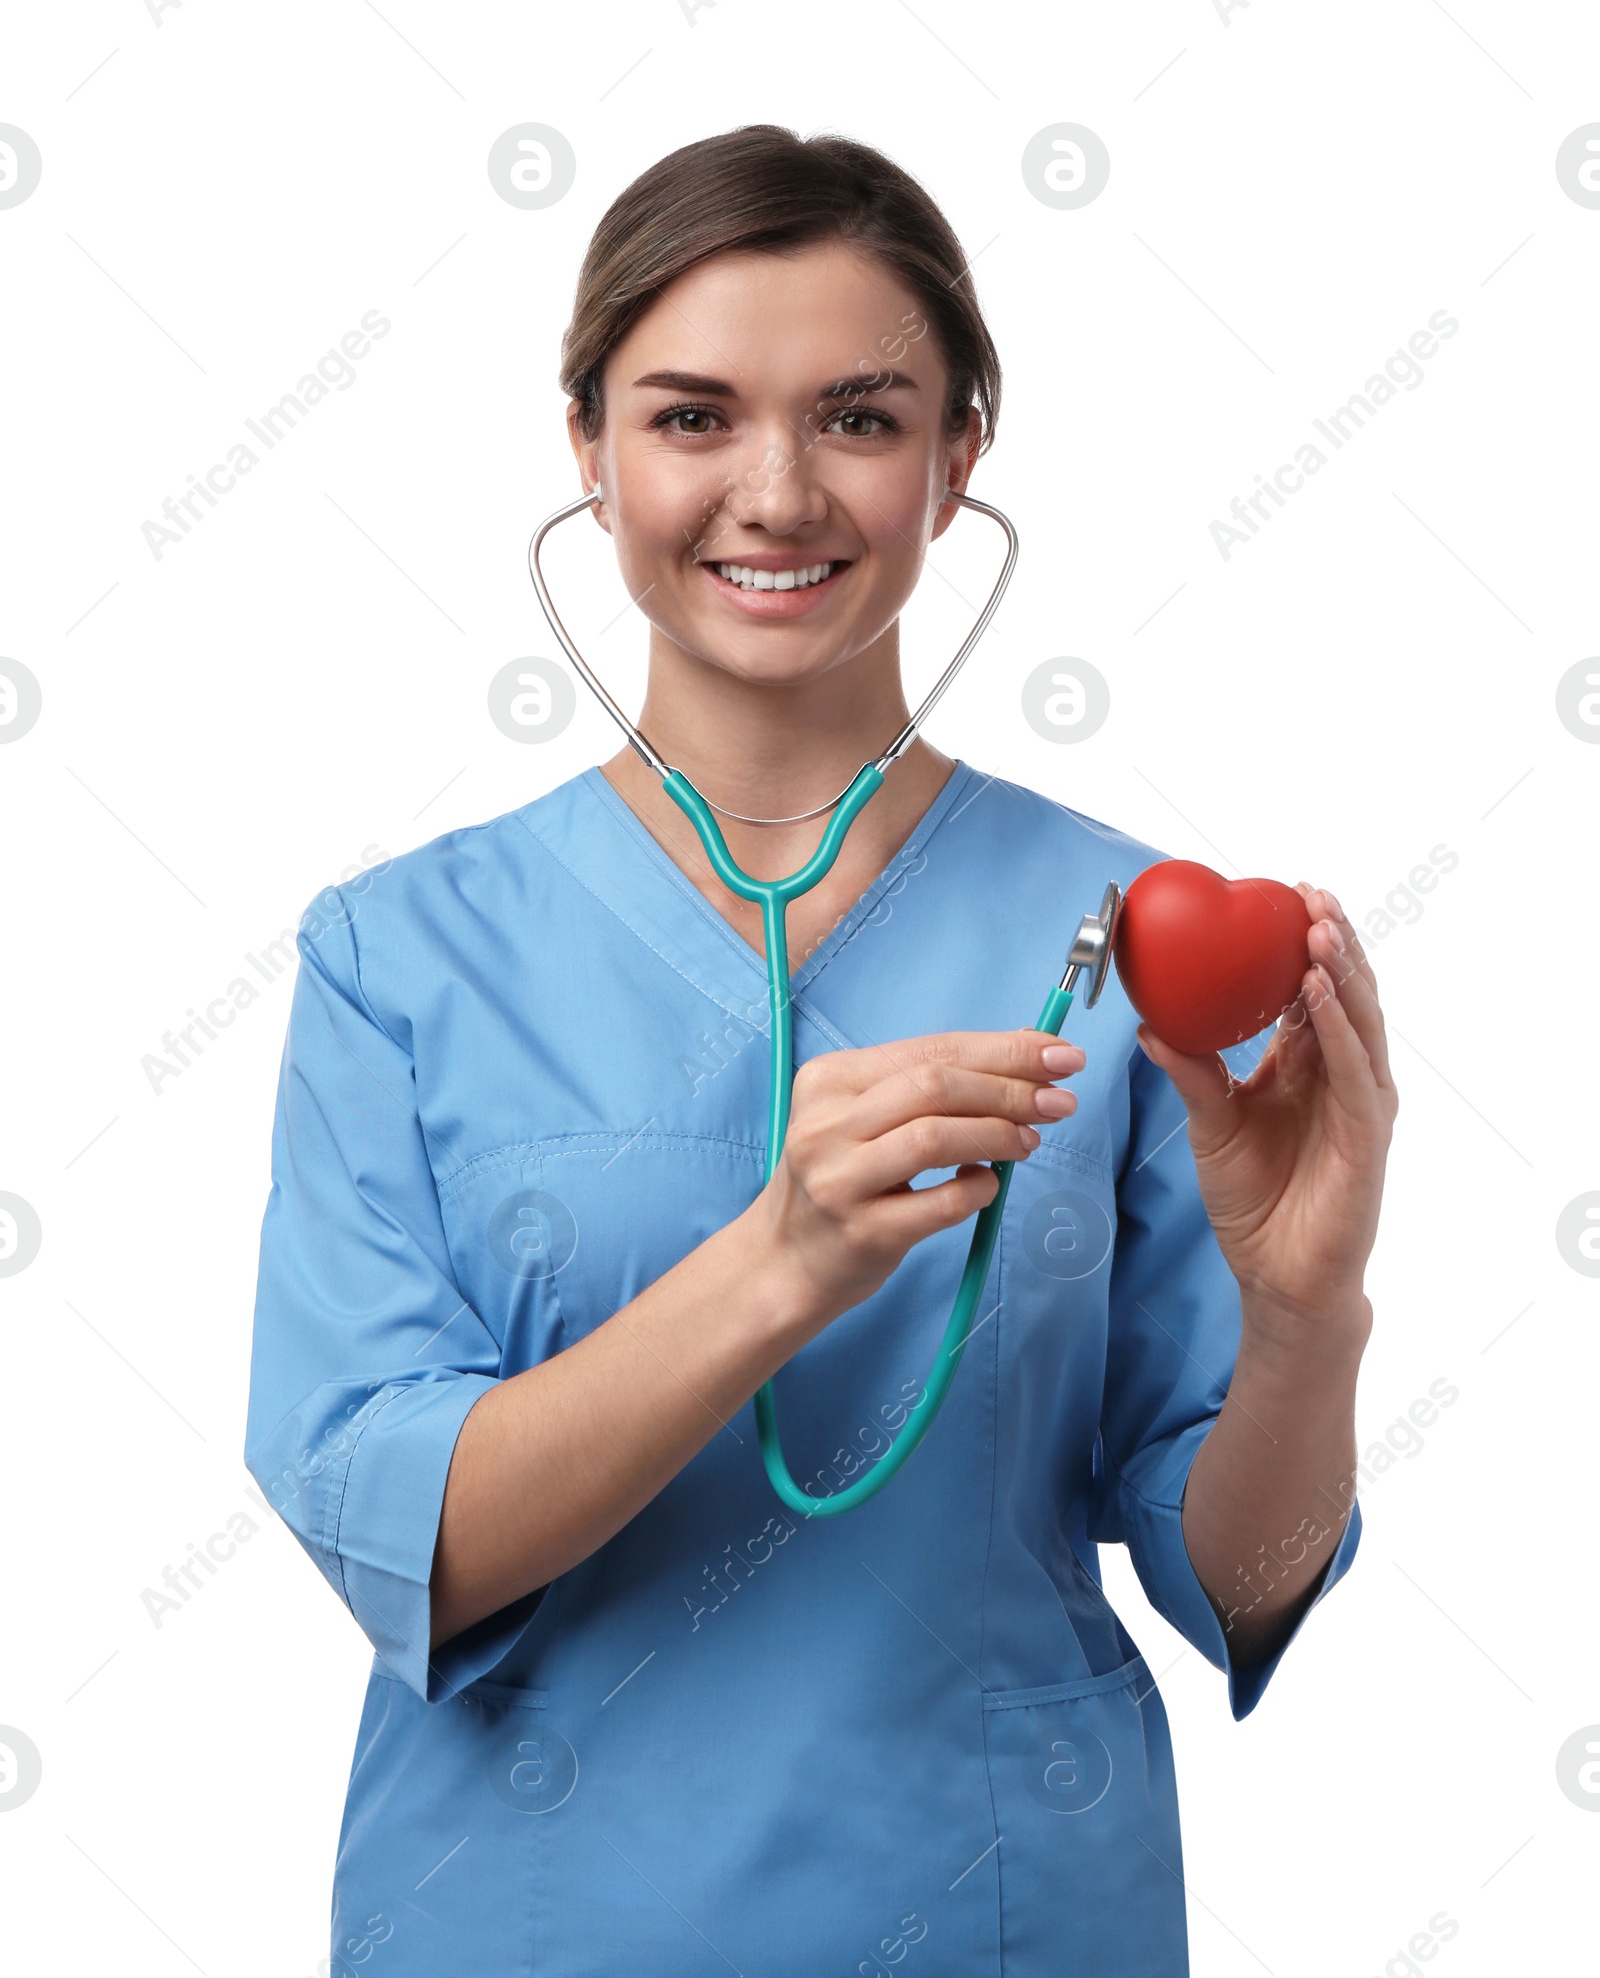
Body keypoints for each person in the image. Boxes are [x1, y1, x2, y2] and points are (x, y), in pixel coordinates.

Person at [244, 123, 1395, 1977]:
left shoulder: (1132, 947)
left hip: (1004, 1924)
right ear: (587, 451)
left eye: (859, 418)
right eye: (691, 416)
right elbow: (419, 1550)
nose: (774, 492)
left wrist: (1308, 1312)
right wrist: (781, 1263)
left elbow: (1242, 1585)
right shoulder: (399, 958)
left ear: (958, 463)